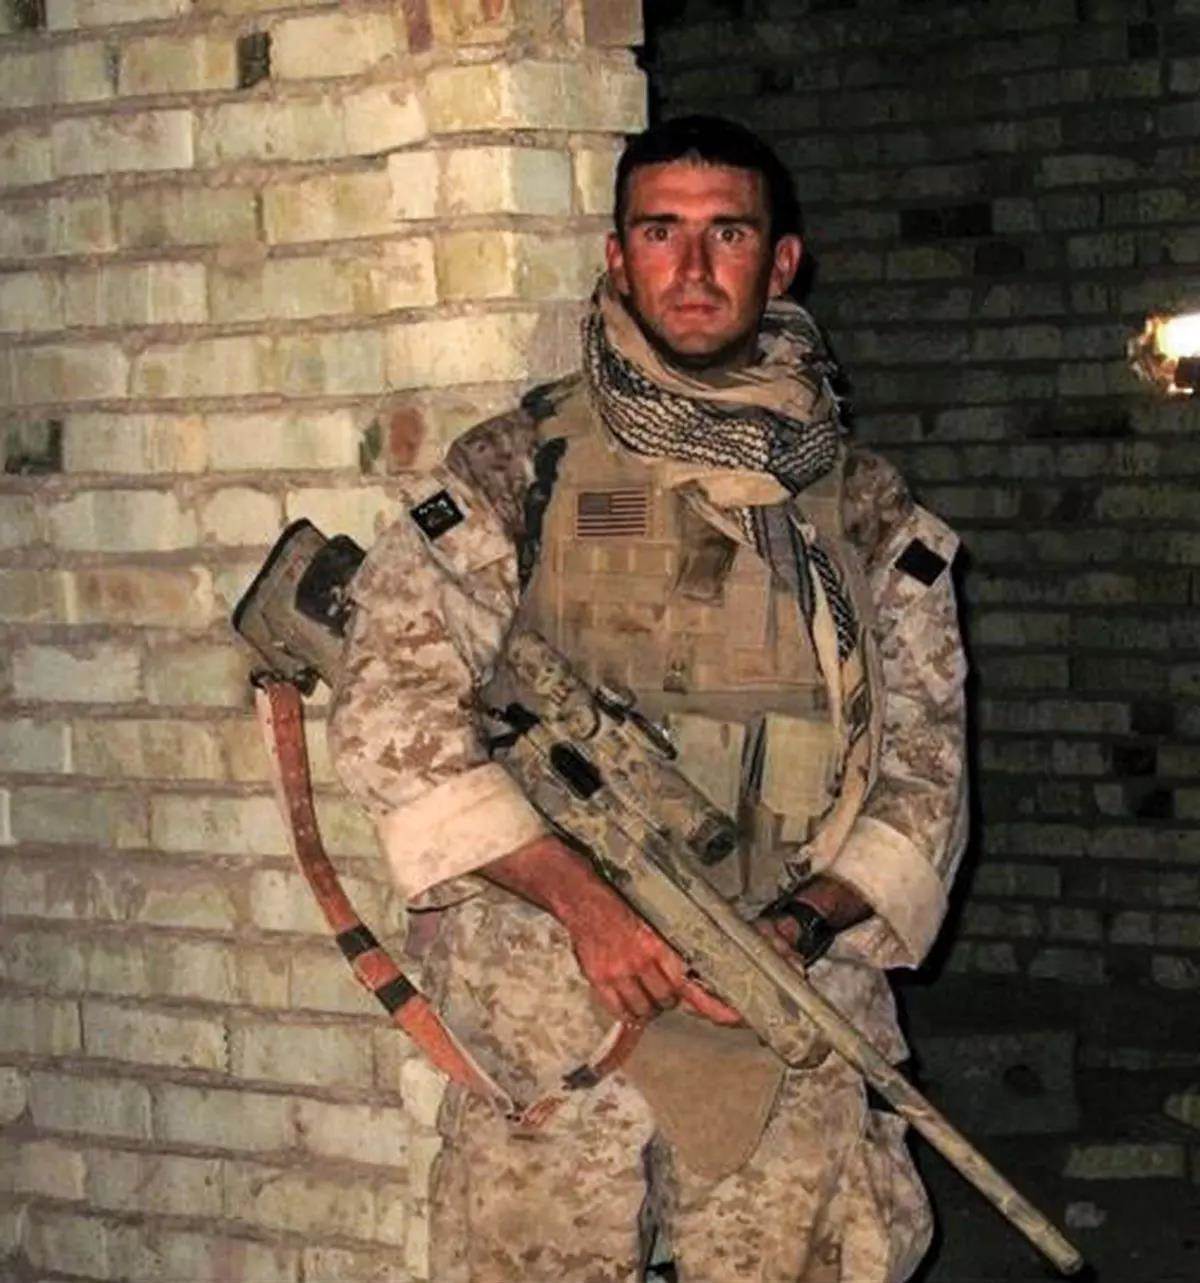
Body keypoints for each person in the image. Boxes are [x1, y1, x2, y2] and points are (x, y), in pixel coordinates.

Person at [329, 115, 968, 1283]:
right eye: (659, 232)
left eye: (728, 231)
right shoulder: (518, 469)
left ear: (781, 263)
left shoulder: (865, 506)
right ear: (616, 258)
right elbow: (394, 713)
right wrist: (585, 902)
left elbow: (925, 760)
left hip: (786, 1009)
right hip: (558, 1012)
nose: (692, 265)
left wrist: (802, 923)